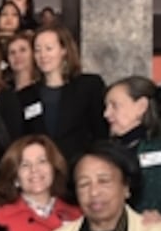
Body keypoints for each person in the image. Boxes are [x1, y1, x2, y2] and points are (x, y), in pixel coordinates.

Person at [105, 76, 161, 225]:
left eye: (114, 106)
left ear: (141, 106)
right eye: (106, 106)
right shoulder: (104, 152)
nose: (106, 114)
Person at [18, 26, 107, 166]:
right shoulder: (26, 96)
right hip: (43, 172)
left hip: (82, 167)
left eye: (49, 48)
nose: (43, 55)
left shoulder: (89, 86)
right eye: (37, 50)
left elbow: (101, 132)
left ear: (64, 50)